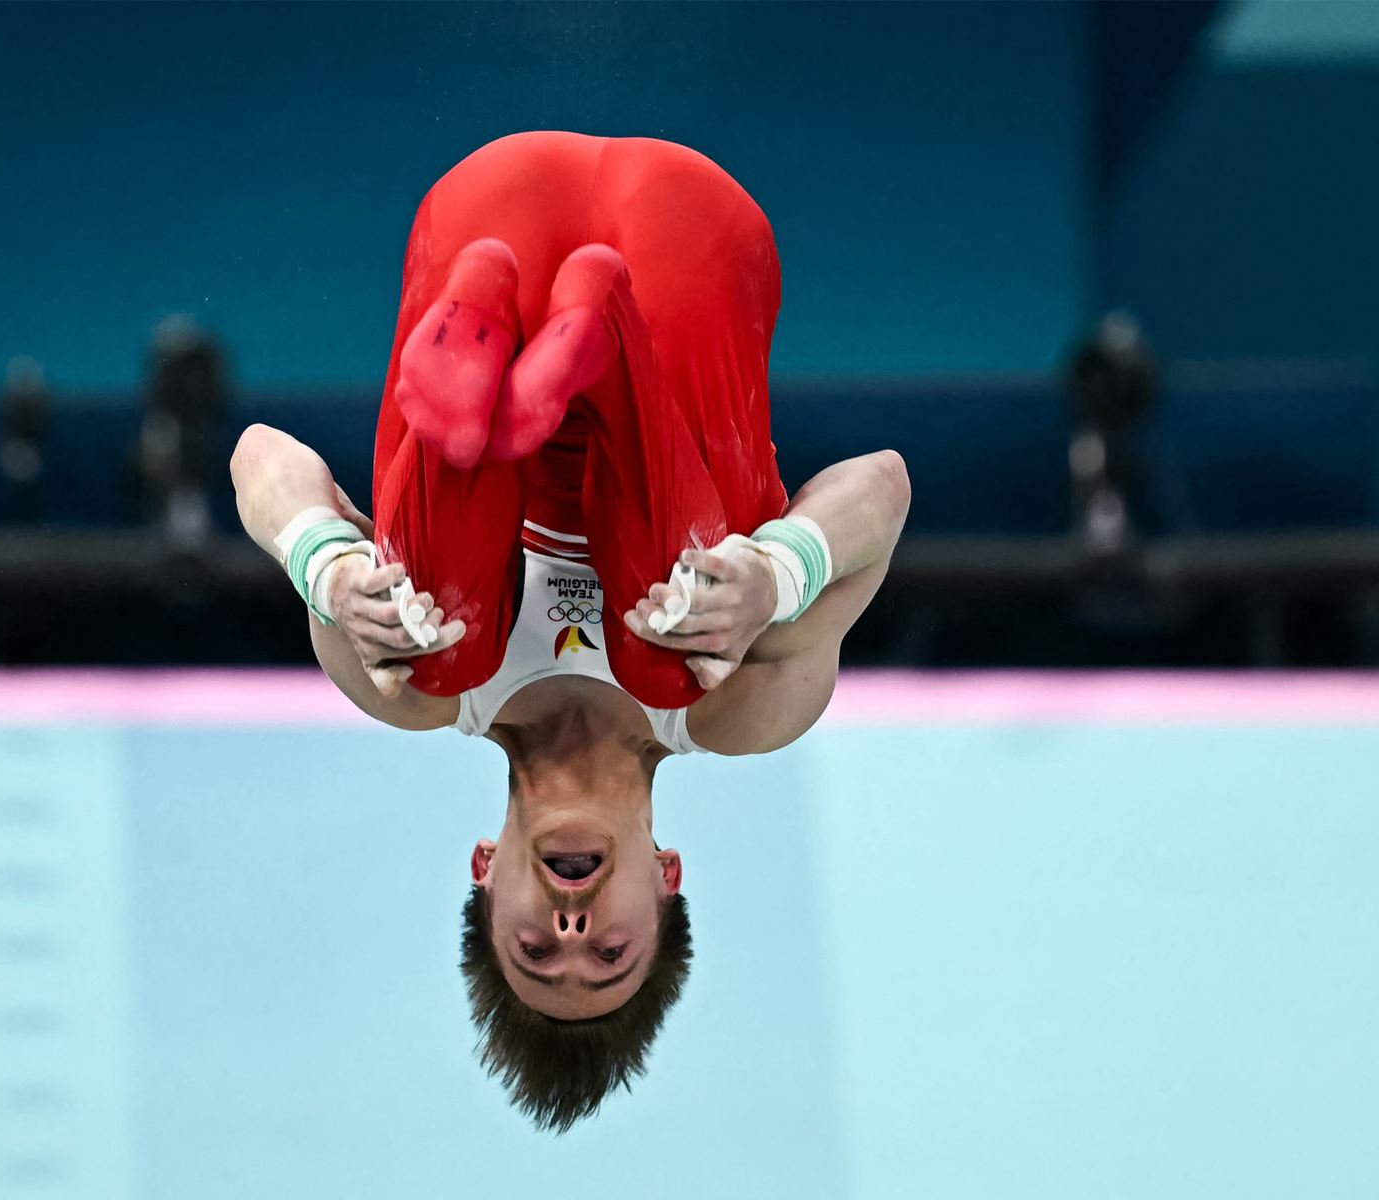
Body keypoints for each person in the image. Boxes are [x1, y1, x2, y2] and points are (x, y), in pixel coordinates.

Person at [231, 132, 910, 1132]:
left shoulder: (415, 692)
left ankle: (484, 328)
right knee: (686, 662)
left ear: (483, 872)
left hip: (493, 211)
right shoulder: (755, 713)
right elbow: (883, 485)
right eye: (609, 954)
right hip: (685, 241)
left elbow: (258, 455)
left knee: (420, 653)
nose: (571, 926)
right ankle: (603, 328)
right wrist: (777, 576)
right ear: (668, 886)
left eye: (536, 951)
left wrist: (324, 568)